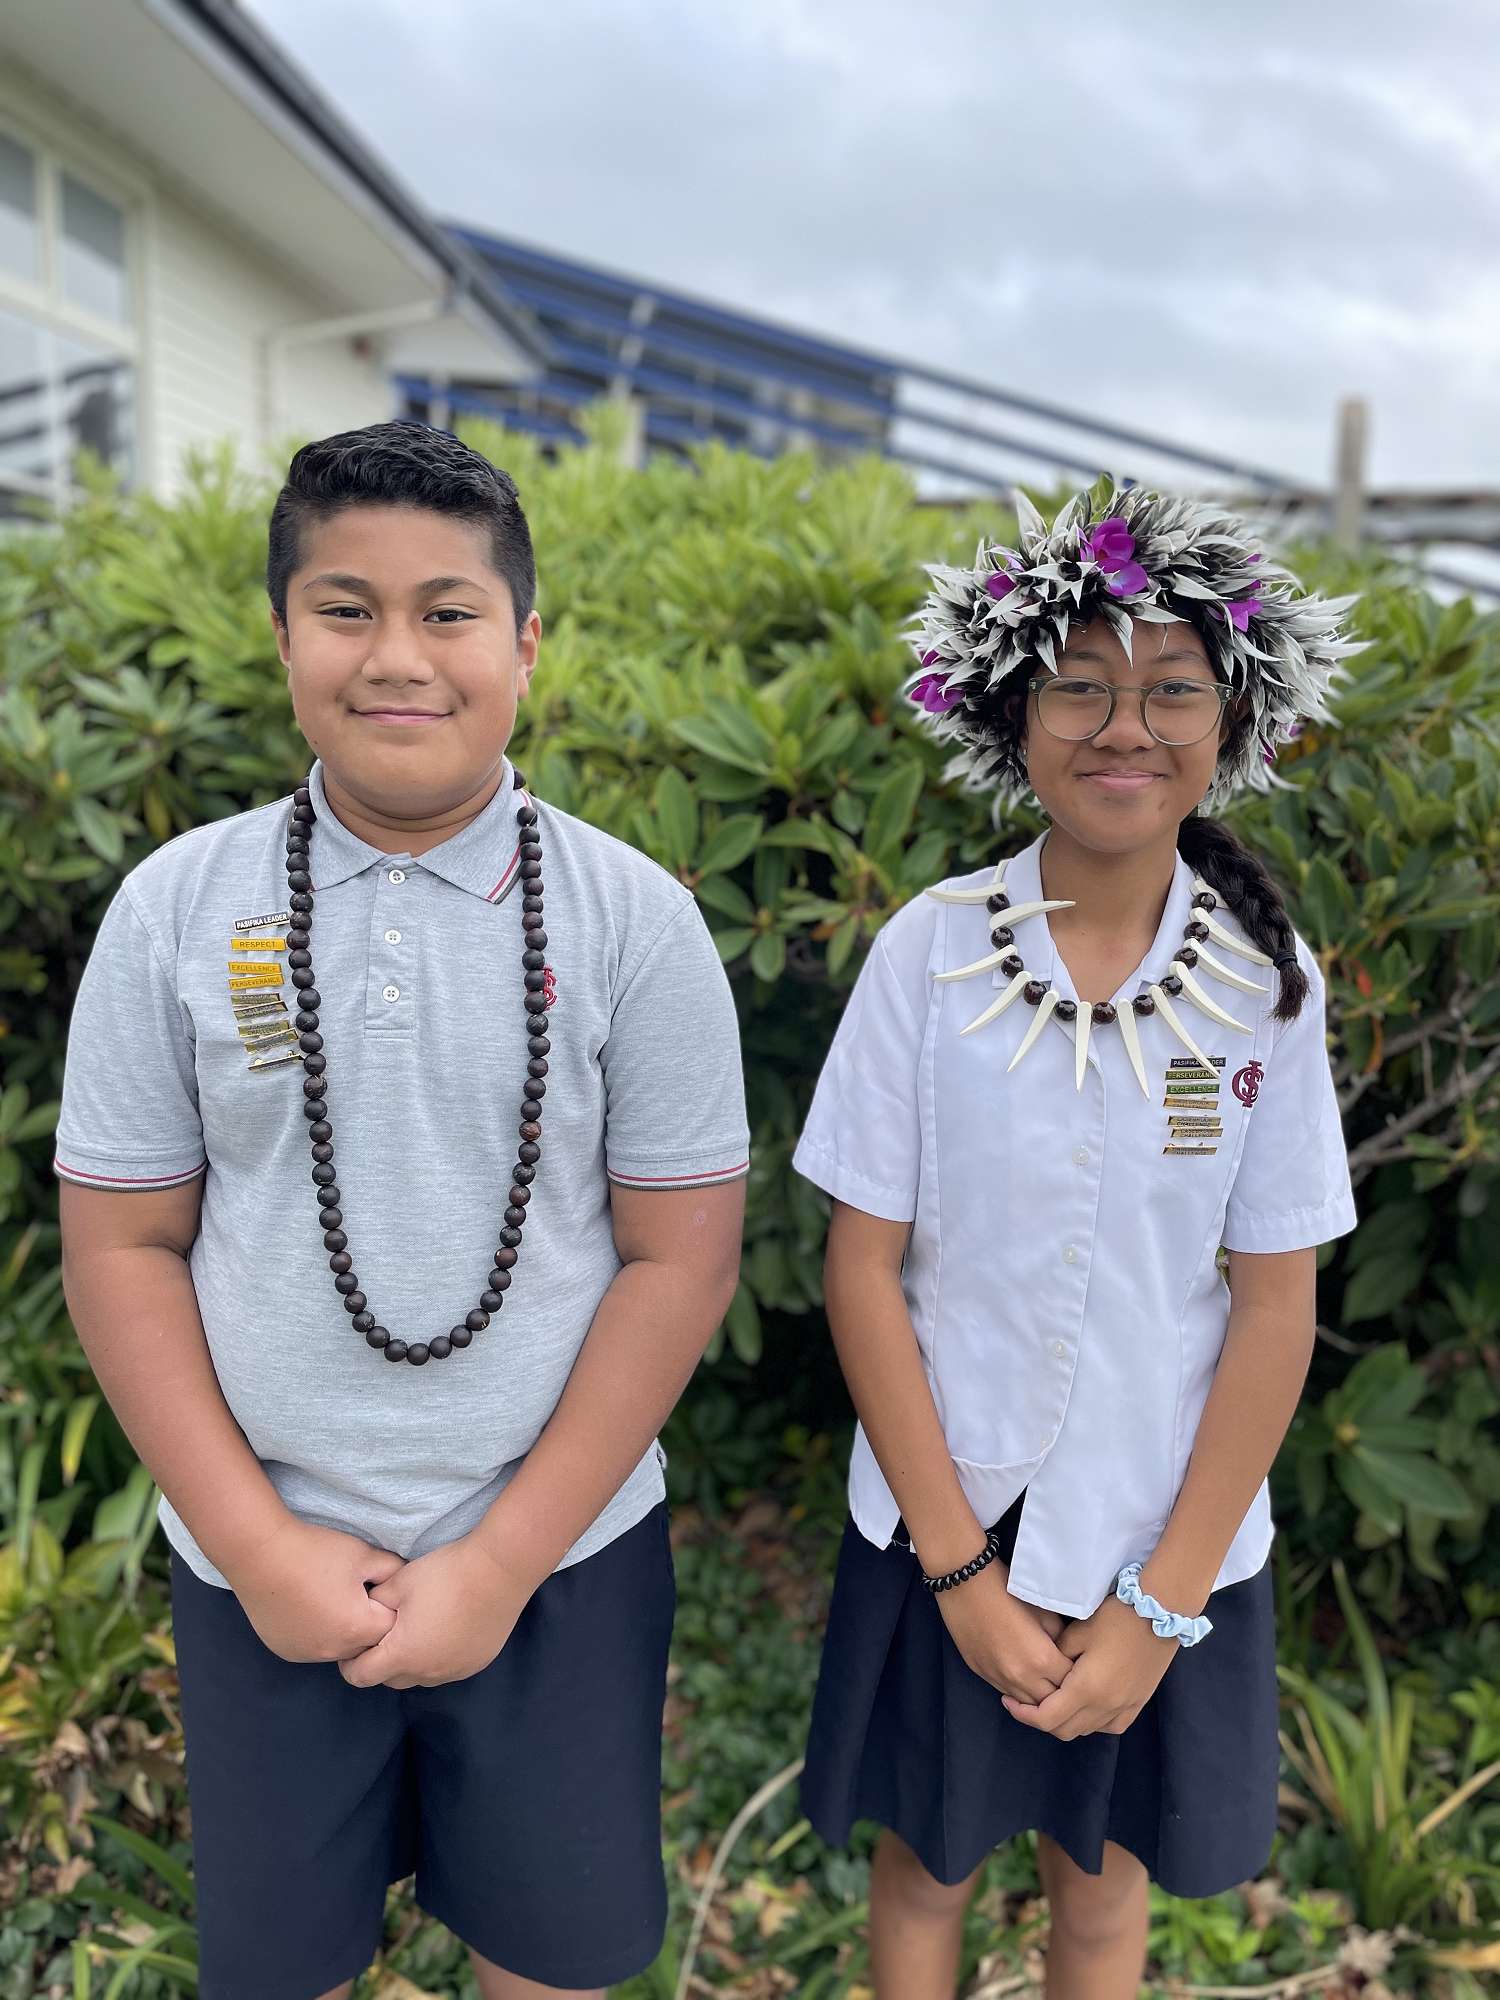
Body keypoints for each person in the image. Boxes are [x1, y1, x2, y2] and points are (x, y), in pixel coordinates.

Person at [55, 421, 749, 2000]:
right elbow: (123, 1243)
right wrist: (258, 1544)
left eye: (449, 611)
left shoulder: (636, 922)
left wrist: (500, 1562)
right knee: (283, 1965)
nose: (398, 657)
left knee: (551, 1960)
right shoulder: (176, 908)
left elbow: (679, 1260)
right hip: (259, 1561)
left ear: (525, 643)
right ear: (283, 633)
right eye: (345, 608)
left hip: (561, 1558)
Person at [792, 483, 1360, 2000]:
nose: (1127, 727)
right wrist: (960, 1574)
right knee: (924, 1871)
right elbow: (862, 1268)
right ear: (1014, 718)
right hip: (944, 1522)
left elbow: (1275, 1306)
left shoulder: (1263, 981)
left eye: (1173, 689)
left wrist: (1163, 1605)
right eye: (1080, 688)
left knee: (1102, 1894)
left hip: (1157, 1541)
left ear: (1232, 722)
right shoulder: (927, 953)